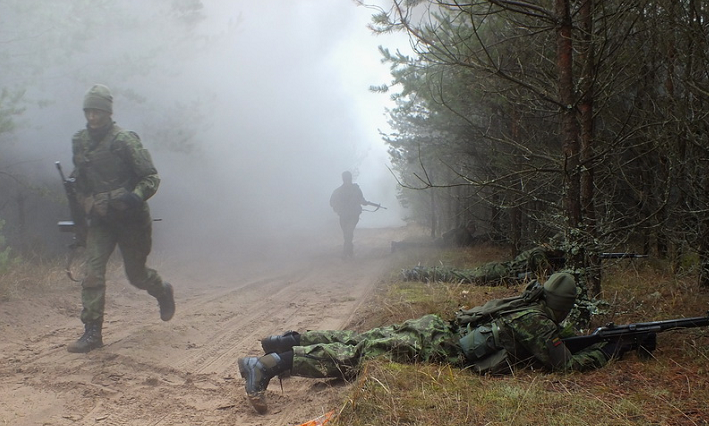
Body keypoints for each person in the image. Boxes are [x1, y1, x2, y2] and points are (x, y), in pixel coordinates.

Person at [237, 272, 623, 414]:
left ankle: (284, 341)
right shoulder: (538, 322)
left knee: (361, 338)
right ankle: (269, 364)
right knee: (357, 353)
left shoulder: (526, 307)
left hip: (435, 329)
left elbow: (553, 343)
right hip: (438, 347)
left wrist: (582, 342)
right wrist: (604, 353)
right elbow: (566, 366)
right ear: (562, 307)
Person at [65, 84, 175, 353]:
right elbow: (80, 181)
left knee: (136, 276)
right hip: (101, 221)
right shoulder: (80, 141)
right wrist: (86, 204)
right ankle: (92, 333)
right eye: (89, 111)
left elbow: (151, 177)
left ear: (108, 112)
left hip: (131, 219)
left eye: (98, 111)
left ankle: (162, 290)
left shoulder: (124, 140)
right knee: (92, 272)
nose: (92, 117)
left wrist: (134, 197)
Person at [329, 171, 379, 258]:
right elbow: (332, 202)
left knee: (349, 231)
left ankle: (347, 251)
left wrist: (364, 202)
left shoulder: (354, 189)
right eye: (346, 178)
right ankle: (348, 250)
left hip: (353, 215)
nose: (347, 180)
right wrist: (338, 208)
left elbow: (361, 199)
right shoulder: (340, 191)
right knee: (346, 233)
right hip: (344, 215)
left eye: (348, 178)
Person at [391, 220, 478, 253]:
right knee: (419, 246)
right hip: (440, 245)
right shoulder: (465, 234)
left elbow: (445, 234)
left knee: (419, 246)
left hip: (439, 241)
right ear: (469, 227)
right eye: (473, 228)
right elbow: (464, 246)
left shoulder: (460, 230)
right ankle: (398, 245)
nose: (474, 230)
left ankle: (398, 245)